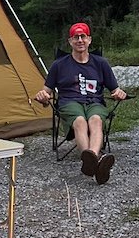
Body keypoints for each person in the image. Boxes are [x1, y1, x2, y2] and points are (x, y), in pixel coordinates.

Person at [34, 22, 127, 184]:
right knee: (79, 122)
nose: (80, 40)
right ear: (70, 41)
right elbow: (46, 92)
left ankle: (91, 161)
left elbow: (115, 90)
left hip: (94, 102)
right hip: (69, 102)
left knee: (96, 120)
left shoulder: (101, 63)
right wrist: (42, 96)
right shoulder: (59, 65)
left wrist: (119, 93)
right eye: (76, 37)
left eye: (83, 36)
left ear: (89, 40)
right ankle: (96, 159)